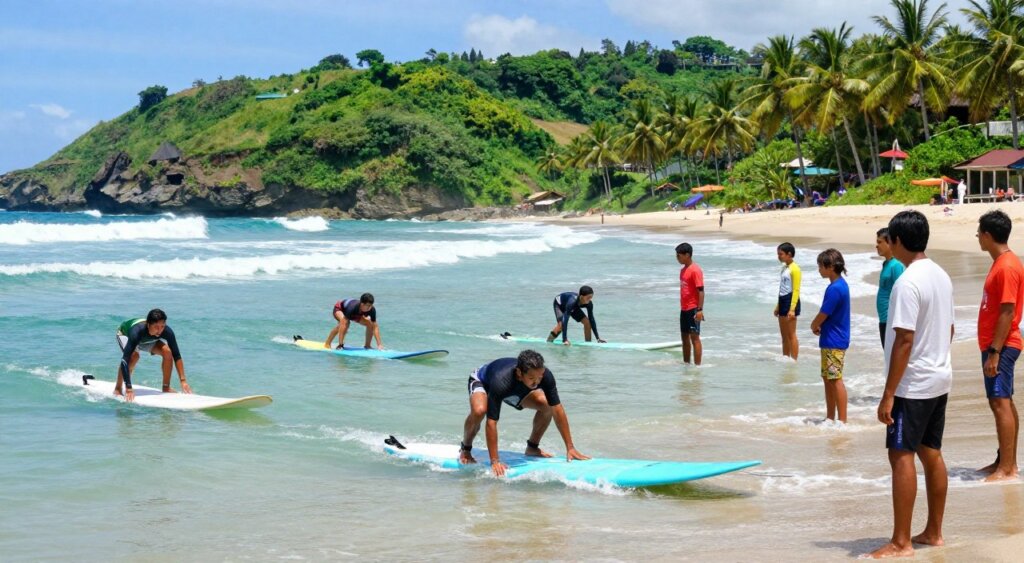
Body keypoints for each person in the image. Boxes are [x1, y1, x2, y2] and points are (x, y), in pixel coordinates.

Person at [867, 210, 954, 559]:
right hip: (938, 376)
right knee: (931, 452)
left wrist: (888, 394)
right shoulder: (941, 274)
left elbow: (903, 339)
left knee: (900, 454)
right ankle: (933, 532)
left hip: (913, 384)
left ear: (897, 241)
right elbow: (947, 329)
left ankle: (901, 542)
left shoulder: (907, 281)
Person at [459, 350, 590, 476]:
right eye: (532, 378)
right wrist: (495, 461)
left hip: (514, 388)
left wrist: (570, 447)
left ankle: (532, 447)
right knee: (480, 410)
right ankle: (465, 449)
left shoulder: (545, 376)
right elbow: (491, 423)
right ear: (519, 373)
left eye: (539, 377)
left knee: (547, 405)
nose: (537, 382)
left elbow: (558, 408)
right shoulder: (501, 382)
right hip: (483, 380)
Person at [976, 209, 1024, 482]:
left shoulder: (1006, 266)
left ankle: (1007, 468)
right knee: (1003, 400)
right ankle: (1003, 461)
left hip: (1002, 344)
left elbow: (1007, 310)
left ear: (987, 235)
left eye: (979, 233)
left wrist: (994, 351)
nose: (977, 238)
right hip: (999, 343)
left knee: (1000, 402)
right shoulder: (1003, 262)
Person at [114, 308, 190, 403]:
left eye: (162, 326)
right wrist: (129, 388)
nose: (160, 330)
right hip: (125, 334)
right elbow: (124, 360)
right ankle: (118, 388)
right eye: (156, 327)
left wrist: (183, 381)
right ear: (148, 324)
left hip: (146, 340)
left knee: (167, 352)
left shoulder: (166, 331)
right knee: (134, 357)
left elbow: (177, 355)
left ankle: (166, 387)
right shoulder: (136, 331)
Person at [810, 249, 850, 423]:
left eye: (821, 266)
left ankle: (841, 420)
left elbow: (824, 312)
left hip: (835, 340)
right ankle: (830, 417)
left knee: (835, 380)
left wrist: (814, 324)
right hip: (830, 338)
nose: (819, 269)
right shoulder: (839, 285)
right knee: (827, 378)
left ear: (831, 267)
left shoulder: (835, 288)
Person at [876, 227, 906, 349]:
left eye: (879, 242)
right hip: (884, 319)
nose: (876, 246)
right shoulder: (886, 264)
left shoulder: (896, 265)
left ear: (889, 243)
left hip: (891, 320)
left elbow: (902, 293)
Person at [676, 242, 705, 365]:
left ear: (687, 255)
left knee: (695, 338)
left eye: (679, 255)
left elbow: (701, 291)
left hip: (693, 308)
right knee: (684, 337)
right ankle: (686, 365)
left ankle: (697, 367)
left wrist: (699, 310)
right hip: (684, 309)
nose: (677, 258)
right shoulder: (683, 270)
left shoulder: (695, 270)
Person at [774, 242, 801, 360]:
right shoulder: (784, 268)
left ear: (789, 254)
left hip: (791, 301)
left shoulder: (795, 269)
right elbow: (782, 288)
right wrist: (778, 306)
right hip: (783, 301)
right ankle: (785, 359)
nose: (779, 256)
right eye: (778, 254)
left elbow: (796, 289)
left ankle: (794, 361)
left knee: (791, 335)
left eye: (781, 254)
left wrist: (792, 309)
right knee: (784, 336)